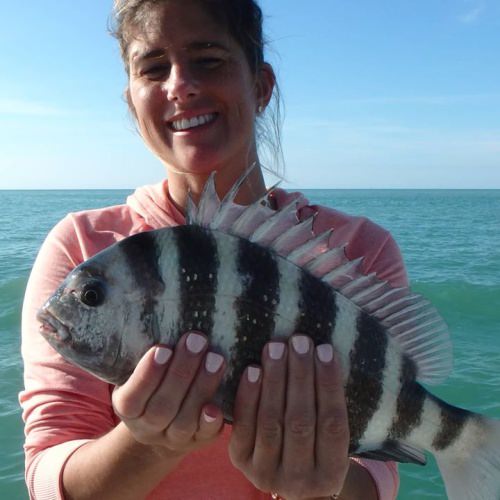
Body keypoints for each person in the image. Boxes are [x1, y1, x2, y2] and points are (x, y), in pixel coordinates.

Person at [20, 1, 406, 498]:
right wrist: (150, 444)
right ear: (132, 102)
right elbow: (49, 472)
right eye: (153, 68)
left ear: (261, 86)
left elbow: (378, 475)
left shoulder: (357, 253)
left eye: (208, 59)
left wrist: (319, 487)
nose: (179, 85)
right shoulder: (81, 248)